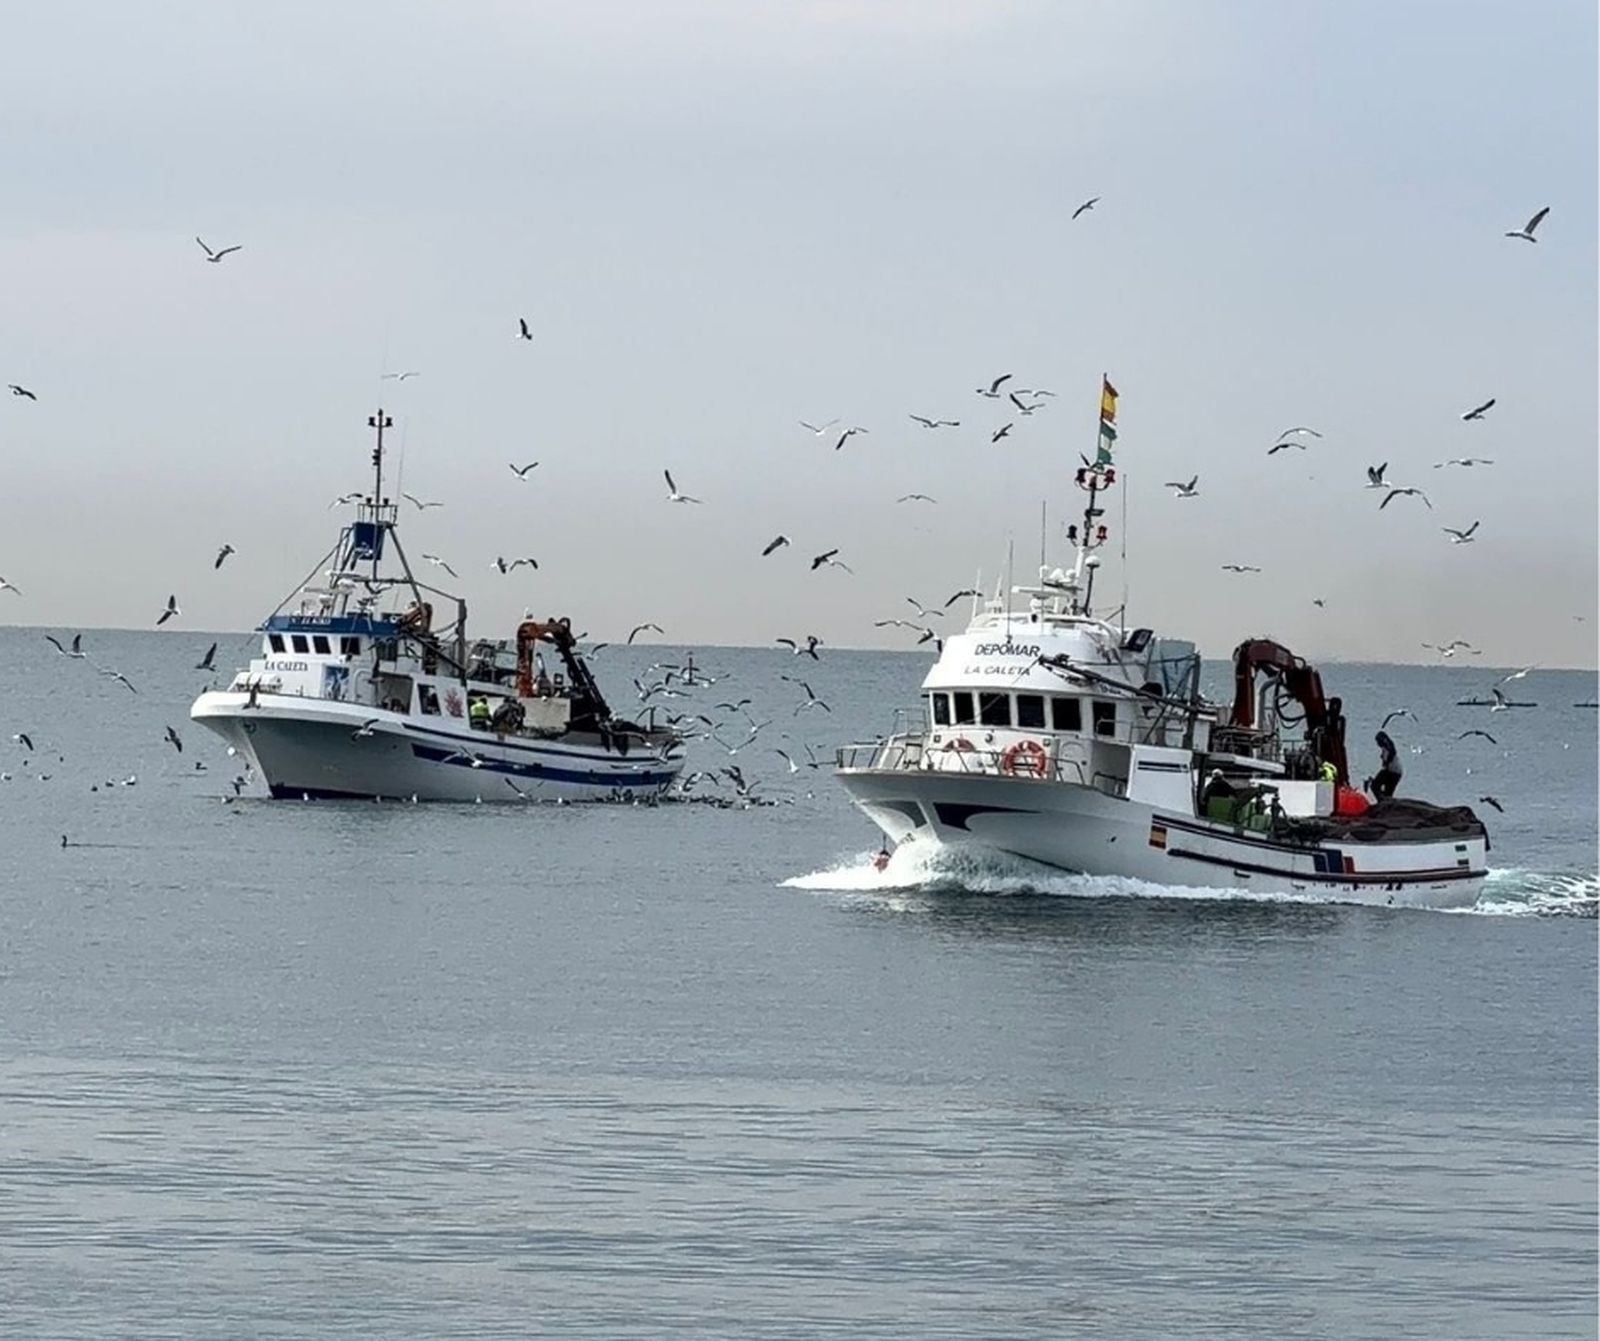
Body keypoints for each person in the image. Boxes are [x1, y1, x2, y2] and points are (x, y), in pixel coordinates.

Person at [1365, 729, 1402, 801]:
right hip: (1395, 772)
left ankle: (1383, 800)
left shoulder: (1388, 748)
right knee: (1386, 791)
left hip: (1392, 771)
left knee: (1377, 786)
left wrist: (1385, 760)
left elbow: (1388, 759)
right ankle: (1384, 800)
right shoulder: (1387, 747)